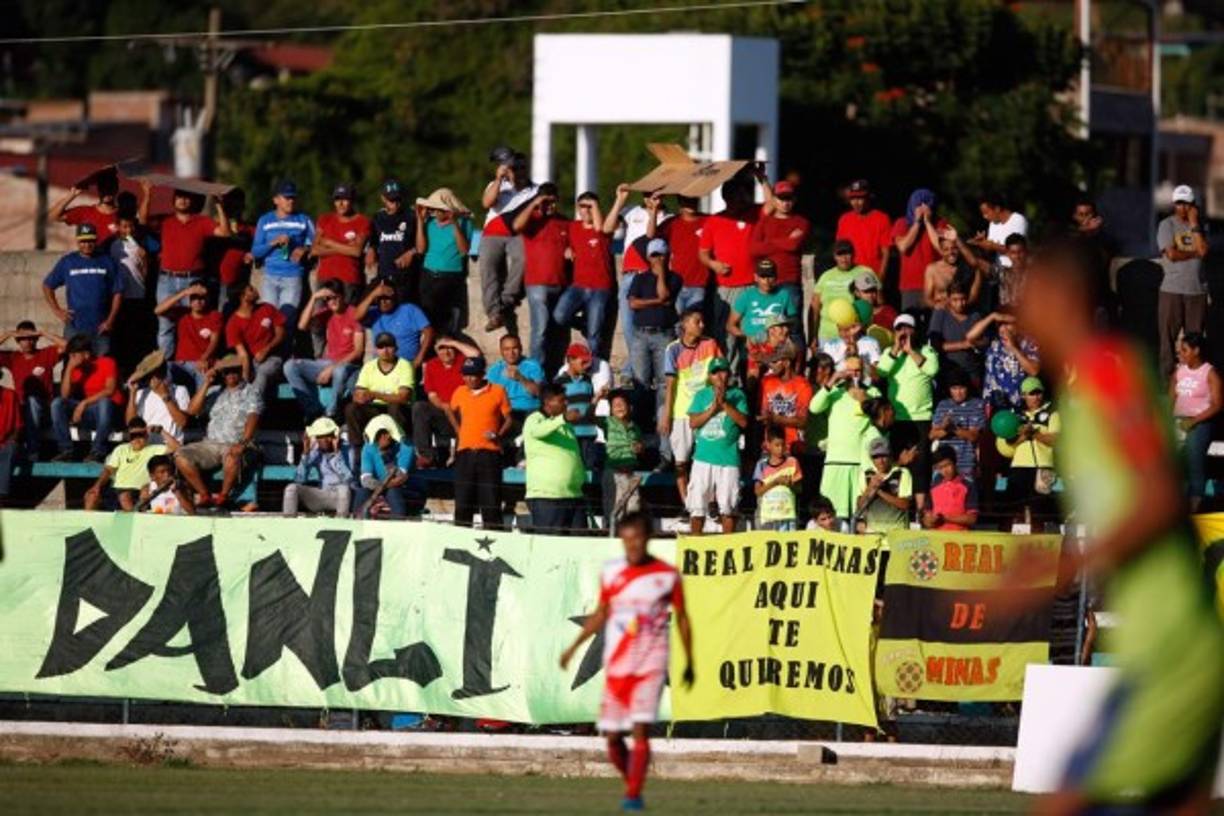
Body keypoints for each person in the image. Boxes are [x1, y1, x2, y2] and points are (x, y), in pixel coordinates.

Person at [1010, 237, 1223, 814]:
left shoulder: (1107, 373)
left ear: (1063, 298)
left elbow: (1158, 496)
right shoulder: (1084, 394)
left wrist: (1061, 569)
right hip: (1164, 650)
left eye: (1029, 295)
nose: (1022, 312)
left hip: (1170, 652)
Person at [559, 511, 694, 815]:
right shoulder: (612, 572)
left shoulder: (666, 575)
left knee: (640, 729)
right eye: (626, 540)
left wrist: (689, 660)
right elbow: (601, 613)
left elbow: (683, 619)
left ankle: (633, 796)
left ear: (648, 539)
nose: (631, 546)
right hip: (618, 662)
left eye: (636, 540)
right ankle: (631, 779)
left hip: (651, 662)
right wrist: (573, 647)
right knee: (611, 736)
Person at [174, 354, 262, 509]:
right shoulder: (214, 392)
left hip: (240, 443)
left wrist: (243, 442)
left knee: (232, 455)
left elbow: (253, 417)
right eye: (227, 371)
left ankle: (223, 496)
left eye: (234, 370)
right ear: (222, 374)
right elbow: (192, 410)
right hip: (212, 443)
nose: (231, 374)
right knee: (180, 455)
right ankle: (204, 495)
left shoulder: (251, 391)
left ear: (241, 371)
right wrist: (206, 384)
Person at [155, 188, 232, 356]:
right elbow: (143, 220)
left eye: (187, 197)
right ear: (173, 200)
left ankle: (194, 364)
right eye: (179, 197)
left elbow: (225, 233)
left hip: (193, 279)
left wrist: (219, 205)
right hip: (166, 279)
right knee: (165, 326)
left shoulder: (202, 221)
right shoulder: (165, 221)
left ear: (193, 200)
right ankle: (165, 370)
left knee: (195, 323)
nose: (183, 200)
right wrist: (147, 194)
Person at [876, 314, 938, 508]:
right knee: (898, 463)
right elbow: (881, 371)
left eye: (908, 328)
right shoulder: (890, 352)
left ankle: (919, 511)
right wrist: (896, 348)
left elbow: (932, 369)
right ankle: (898, 507)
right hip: (896, 419)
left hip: (921, 418)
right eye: (899, 329)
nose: (904, 332)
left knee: (920, 465)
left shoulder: (926, 350)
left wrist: (911, 351)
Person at [662, 307, 721, 503]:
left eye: (702, 321)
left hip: (706, 411)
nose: (702, 325)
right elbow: (670, 386)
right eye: (697, 322)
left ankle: (710, 502)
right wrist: (666, 415)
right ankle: (688, 503)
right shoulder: (673, 349)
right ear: (685, 325)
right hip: (681, 413)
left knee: (708, 459)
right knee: (681, 462)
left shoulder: (710, 344)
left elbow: (720, 373)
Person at [629, 239, 682, 455]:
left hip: (663, 334)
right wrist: (657, 302)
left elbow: (665, 294)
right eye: (654, 255)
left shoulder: (675, 278)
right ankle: (639, 443)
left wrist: (661, 275)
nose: (658, 259)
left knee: (663, 387)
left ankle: (664, 450)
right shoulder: (639, 279)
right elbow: (633, 303)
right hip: (641, 334)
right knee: (640, 385)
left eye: (662, 255)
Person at [809, 356, 878, 520]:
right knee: (830, 515)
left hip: (859, 464)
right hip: (835, 463)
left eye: (858, 370)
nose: (854, 374)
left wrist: (866, 401)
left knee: (859, 516)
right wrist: (833, 379)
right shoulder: (835, 391)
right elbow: (814, 407)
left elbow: (883, 419)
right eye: (850, 370)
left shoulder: (872, 392)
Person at [447, 356, 512, 529]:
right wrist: (458, 430)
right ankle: (460, 544)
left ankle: (495, 544)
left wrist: (498, 435)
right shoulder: (459, 392)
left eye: (473, 375)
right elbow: (449, 410)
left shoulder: (497, 390)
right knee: (462, 503)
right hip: (465, 452)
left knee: (490, 502)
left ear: (482, 374)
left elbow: (509, 419)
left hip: (489, 452)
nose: (469, 379)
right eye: (466, 375)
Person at [285, 281, 365, 421]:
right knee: (290, 366)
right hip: (327, 362)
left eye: (334, 297)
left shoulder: (353, 313)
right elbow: (302, 325)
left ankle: (330, 413)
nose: (331, 302)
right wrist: (314, 298)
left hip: (349, 365)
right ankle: (313, 410)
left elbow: (358, 351)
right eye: (327, 299)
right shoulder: (327, 313)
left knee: (339, 371)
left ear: (342, 296)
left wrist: (332, 368)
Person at [700, 174, 764, 346]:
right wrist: (714, 264)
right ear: (726, 197)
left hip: (752, 284)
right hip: (726, 287)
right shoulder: (714, 221)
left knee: (752, 330)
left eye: (743, 194)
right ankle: (729, 371)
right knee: (724, 334)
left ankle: (750, 370)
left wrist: (762, 178)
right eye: (737, 195)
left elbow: (773, 204)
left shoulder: (754, 214)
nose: (742, 198)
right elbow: (703, 253)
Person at [513, 182, 570, 372]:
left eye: (553, 202)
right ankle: (536, 371)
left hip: (562, 284)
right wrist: (535, 204)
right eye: (547, 202)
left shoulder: (565, 222)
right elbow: (516, 225)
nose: (550, 206)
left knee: (560, 331)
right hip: (538, 284)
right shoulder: (533, 221)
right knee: (541, 330)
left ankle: (555, 370)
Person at [687, 357, 748, 534]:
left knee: (729, 507)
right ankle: (695, 545)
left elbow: (743, 422)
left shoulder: (738, 394)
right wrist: (713, 409)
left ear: (729, 374)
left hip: (728, 458)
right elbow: (693, 422)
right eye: (715, 372)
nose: (720, 376)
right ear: (709, 376)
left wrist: (725, 405)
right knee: (697, 505)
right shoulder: (701, 395)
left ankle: (726, 547)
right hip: (703, 458)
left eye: (723, 371)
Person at [42, 223, 124, 355]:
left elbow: (118, 292)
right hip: (75, 327)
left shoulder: (107, 261)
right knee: (73, 363)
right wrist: (57, 310)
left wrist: (110, 320)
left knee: (101, 364)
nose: (87, 245)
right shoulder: (68, 262)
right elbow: (47, 286)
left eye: (90, 240)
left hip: (101, 327)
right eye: (83, 241)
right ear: (77, 241)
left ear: (96, 240)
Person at [478, 150, 536, 331]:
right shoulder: (497, 186)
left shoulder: (535, 190)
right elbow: (486, 203)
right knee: (488, 269)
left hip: (518, 232)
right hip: (493, 233)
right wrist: (498, 180)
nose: (518, 172)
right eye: (514, 168)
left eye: (521, 168)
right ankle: (494, 313)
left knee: (524, 259)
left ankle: (507, 299)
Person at [554, 189, 618, 353]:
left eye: (591, 206)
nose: (587, 210)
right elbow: (563, 242)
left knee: (594, 335)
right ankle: (583, 324)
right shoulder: (573, 227)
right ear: (578, 208)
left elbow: (599, 229)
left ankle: (593, 369)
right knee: (559, 315)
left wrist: (595, 205)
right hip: (579, 285)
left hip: (600, 287)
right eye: (583, 206)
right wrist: (567, 249)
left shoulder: (605, 227)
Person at [1156, 184, 1210, 378]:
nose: (1183, 207)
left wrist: (1195, 223)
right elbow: (1171, 254)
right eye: (1179, 203)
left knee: (1194, 342)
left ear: (1193, 205)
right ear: (1173, 204)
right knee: (1167, 341)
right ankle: (1166, 385)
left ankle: (1192, 381)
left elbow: (1203, 250)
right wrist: (1194, 253)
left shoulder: (1199, 226)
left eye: (1186, 203)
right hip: (1171, 290)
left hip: (1197, 291)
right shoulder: (1166, 225)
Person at [995, 376, 1060, 527]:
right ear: (1023, 395)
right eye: (1031, 393)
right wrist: (1023, 436)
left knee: (1043, 508)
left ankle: (1044, 542)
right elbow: (1007, 445)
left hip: (1045, 467)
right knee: (1018, 506)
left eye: (1038, 393)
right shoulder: (1014, 415)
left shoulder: (1052, 413)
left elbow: (1054, 439)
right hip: (1020, 466)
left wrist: (1035, 434)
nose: (1036, 397)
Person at [251, 180, 315, 331]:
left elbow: (317, 243)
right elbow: (255, 251)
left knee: (287, 320)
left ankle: (285, 353)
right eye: (287, 198)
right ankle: (271, 353)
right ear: (276, 200)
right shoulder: (265, 220)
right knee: (268, 320)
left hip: (293, 276)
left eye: (293, 197)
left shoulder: (304, 220)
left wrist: (304, 249)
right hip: (270, 277)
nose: (291, 201)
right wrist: (272, 243)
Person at [524, 384, 588, 533]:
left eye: (566, 400)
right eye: (561, 400)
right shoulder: (534, 419)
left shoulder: (565, 425)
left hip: (573, 494)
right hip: (547, 497)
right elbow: (537, 432)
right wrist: (563, 418)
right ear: (547, 402)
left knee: (580, 545)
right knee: (551, 548)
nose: (566, 403)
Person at [345, 332, 414, 468]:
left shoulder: (404, 365)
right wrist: (362, 397)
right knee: (351, 408)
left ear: (395, 348)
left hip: (400, 409)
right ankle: (359, 452)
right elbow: (358, 394)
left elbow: (403, 396)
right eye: (381, 347)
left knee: (395, 406)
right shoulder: (369, 366)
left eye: (389, 346)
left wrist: (375, 394)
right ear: (377, 349)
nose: (385, 350)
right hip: (375, 408)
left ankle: (395, 450)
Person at [50, 335, 122, 463]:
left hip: (109, 413)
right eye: (70, 355)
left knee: (104, 403)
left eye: (74, 355)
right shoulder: (75, 369)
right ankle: (66, 450)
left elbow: (110, 390)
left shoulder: (107, 362)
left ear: (86, 354)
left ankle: (97, 451)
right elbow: (64, 396)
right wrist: (69, 368)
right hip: (89, 414)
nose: (71, 358)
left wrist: (84, 403)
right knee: (57, 403)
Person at [1170, 332, 1221, 512]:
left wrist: (1193, 421)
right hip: (1179, 420)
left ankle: (1194, 508)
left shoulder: (1209, 373)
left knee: (1194, 457)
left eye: (1184, 350)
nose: (1180, 354)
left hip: (1200, 421)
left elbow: (1217, 405)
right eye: (1179, 351)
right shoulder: (1179, 372)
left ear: (1196, 351)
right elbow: (1172, 398)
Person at [0, 323, 66, 461]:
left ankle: (33, 452)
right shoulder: (13, 357)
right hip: (20, 411)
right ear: (18, 340)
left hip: (43, 410)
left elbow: (67, 346)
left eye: (31, 337)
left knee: (32, 401)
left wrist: (42, 333)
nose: (28, 341)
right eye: (23, 338)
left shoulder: (45, 354)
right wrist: (8, 334)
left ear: (36, 339)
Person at [414, 187, 474, 338]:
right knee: (428, 318)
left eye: (438, 209)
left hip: (450, 277)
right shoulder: (429, 223)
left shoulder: (464, 223)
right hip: (428, 275)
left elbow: (464, 250)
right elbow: (421, 249)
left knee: (447, 322)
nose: (435, 212)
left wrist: (455, 224)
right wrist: (420, 222)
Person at [413, 336, 478, 468]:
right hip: (442, 412)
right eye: (441, 348)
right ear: (436, 350)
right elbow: (432, 395)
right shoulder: (431, 365)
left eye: (449, 348)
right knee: (419, 407)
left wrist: (453, 342)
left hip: (462, 412)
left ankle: (462, 457)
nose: (446, 352)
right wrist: (443, 406)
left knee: (467, 411)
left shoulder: (463, 362)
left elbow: (476, 355)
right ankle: (426, 456)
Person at [727, 258, 799, 377]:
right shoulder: (746, 295)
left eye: (770, 276)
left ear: (776, 277)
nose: (766, 281)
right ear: (755, 277)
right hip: (752, 350)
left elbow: (794, 320)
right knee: (752, 386)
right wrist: (747, 336)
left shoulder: (784, 294)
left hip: (777, 351)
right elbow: (730, 325)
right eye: (763, 276)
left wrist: (782, 330)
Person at [108, 208, 159, 372]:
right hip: (119, 297)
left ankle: (137, 369)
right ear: (118, 228)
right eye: (124, 227)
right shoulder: (113, 246)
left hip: (138, 296)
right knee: (121, 336)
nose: (128, 230)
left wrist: (144, 260)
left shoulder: (140, 246)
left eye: (130, 227)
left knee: (137, 335)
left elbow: (144, 275)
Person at [83, 417, 171, 511]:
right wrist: (97, 486)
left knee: (125, 497)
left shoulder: (154, 449)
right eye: (133, 435)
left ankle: (132, 524)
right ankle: (89, 524)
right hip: (116, 490)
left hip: (137, 491)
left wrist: (161, 431)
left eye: (140, 435)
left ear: (146, 435)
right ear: (129, 436)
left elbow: (176, 447)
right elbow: (108, 470)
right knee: (91, 495)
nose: (137, 439)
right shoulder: (121, 449)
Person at [749, 179, 810, 305]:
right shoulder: (764, 222)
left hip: (789, 280)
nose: (785, 203)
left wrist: (767, 243)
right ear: (774, 200)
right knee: (765, 321)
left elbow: (793, 245)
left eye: (789, 198)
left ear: (794, 200)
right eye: (781, 198)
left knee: (791, 321)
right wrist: (785, 241)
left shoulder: (801, 222)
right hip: (765, 280)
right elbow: (753, 249)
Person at [155, 280, 222, 393]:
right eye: (194, 298)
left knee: (203, 393)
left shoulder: (214, 315)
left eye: (202, 298)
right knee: (166, 370)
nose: (198, 302)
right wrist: (184, 293)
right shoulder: (183, 314)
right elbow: (158, 310)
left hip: (202, 364)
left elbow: (214, 340)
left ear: (208, 298)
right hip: (182, 364)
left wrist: (204, 358)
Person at [353, 279, 434, 372]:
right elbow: (356, 316)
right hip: (381, 366)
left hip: (406, 365)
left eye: (387, 298)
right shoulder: (374, 312)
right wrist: (373, 294)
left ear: (395, 297)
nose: (383, 301)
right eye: (380, 298)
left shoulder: (409, 310)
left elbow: (429, 332)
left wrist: (418, 359)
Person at [283, 416, 355, 517]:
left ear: (334, 436)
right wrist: (306, 453)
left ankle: (341, 523)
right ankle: (288, 524)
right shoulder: (316, 450)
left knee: (344, 489)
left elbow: (348, 480)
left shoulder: (348, 449)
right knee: (291, 488)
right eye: (319, 437)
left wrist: (335, 454)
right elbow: (300, 479)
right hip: (321, 494)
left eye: (327, 436)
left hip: (339, 496)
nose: (323, 440)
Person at [224, 283, 286, 399]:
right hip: (252, 362)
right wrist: (245, 378)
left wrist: (266, 349)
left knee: (262, 372)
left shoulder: (267, 308)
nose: (256, 290)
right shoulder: (233, 323)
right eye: (251, 289)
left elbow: (281, 334)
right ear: (243, 297)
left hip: (273, 357)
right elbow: (243, 355)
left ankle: (252, 406)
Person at [969, 311, 1040, 410]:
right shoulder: (992, 340)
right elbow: (970, 337)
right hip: (992, 403)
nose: (1003, 329)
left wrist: (1013, 348)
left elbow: (1033, 371)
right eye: (1000, 324)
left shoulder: (1028, 343)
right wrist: (991, 317)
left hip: (1017, 404)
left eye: (1007, 324)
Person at [649, 194, 706, 317]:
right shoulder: (671, 223)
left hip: (700, 284)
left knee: (694, 323)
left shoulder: (708, 220)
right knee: (676, 324)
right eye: (687, 199)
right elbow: (651, 235)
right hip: (676, 284)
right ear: (680, 201)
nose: (691, 202)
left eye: (693, 198)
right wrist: (654, 208)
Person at [554, 342, 611, 465]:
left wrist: (598, 397)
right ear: (570, 360)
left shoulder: (587, 380)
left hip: (588, 433)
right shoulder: (559, 383)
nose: (586, 366)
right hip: (570, 435)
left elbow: (590, 406)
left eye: (588, 362)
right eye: (583, 362)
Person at [313, 183, 371, 302]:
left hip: (349, 279)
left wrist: (329, 243)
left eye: (345, 199)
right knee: (321, 317)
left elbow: (356, 252)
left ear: (352, 200)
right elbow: (314, 250)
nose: (340, 203)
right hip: (325, 278)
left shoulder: (363, 221)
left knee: (349, 317)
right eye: (337, 199)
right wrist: (346, 248)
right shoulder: (324, 220)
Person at [890, 188, 946, 311]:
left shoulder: (940, 223)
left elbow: (942, 248)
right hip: (910, 286)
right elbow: (903, 246)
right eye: (918, 205)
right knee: (910, 326)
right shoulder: (901, 223)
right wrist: (917, 223)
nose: (922, 209)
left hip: (935, 285)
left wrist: (928, 223)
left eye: (926, 206)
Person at [929, 368, 987, 484]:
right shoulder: (943, 405)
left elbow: (973, 436)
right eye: (954, 388)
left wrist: (953, 428)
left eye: (961, 388)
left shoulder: (976, 405)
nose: (958, 392)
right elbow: (932, 435)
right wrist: (944, 428)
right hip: (942, 466)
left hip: (965, 465)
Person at [354, 414, 415, 519]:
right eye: (378, 436)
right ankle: (356, 526)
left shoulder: (406, 446)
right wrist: (382, 486)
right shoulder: (368, 447)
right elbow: (366, 479)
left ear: (388, 434)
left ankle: (396, 527)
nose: (381, 438)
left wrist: (386, 457)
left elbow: (400, 478)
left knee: (395, 495)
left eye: (383, 434)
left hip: (399, 487)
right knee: (362, 493)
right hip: (377, 485)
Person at [366, 179, 418, 301]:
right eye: (391, 200)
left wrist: (411, 252)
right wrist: (371, 249)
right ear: (383, 199)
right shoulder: (378, 218)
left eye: (397, 199)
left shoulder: (411, 216)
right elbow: (374, 240)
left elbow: (422, 244)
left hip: (406, 275)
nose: (395, 204)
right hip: (384, 274)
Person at [758, 341, 813, 453]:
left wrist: (775, 418)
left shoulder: (802, 385)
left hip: (793, 447)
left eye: (774, 362)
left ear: (787, 363)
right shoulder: (766, 382)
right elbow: (764, 412)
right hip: (770, 447)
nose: (771, 365)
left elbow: (803, 421)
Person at [811, 240, 870, 344]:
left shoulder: (864, 272)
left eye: (847, 253)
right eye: (840, 254)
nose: (844, 258)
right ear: (834, 256)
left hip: (852, 335)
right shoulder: (825, 276)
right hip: (826, 335)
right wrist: (813, 336)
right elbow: (815, 308)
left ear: (853, 254)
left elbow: (876, 302)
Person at [124, 353, 191, 443]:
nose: (154, 378)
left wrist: (165, 396)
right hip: (146, 445)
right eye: (151, 374)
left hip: (170, 445)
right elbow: (130, 423)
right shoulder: (140, 393)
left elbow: (182, 422)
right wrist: (132, 393)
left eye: (159, 373)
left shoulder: (180, 390)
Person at [927, 281, 984, 385]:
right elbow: (934, 344)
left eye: (963, 299)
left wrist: (977, 343)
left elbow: (985, 341)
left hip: (971, 374)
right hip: (947, 374)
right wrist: (964, 344)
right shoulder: (941, 313)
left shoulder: (975, 315)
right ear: (948, 299)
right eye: (955, 300)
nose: (960, 304)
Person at [602, 391, 644, 529]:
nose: (619, 407)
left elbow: (640, 447)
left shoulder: (635, 427)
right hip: (614, 473)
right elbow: (590, 416)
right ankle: (612, 535)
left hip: (631, 474)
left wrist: (639, 447)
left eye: (622, 404)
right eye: (615, 405)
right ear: (610, 410)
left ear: (630, 407)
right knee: (614, 511)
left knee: (633, 509)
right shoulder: (607, 423)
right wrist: (596, 398)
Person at [47, 169, 122, 245]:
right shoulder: (85, 212)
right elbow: (52, 216)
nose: (107, 191)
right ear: (98, 189)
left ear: (116, 189)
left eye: (110, 187)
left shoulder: (123, 215)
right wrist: (72, 194)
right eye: (103, 187)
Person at [855, 436, 913, 534]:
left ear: (890, 455)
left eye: (884, 456)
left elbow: (905, 504)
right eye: (876, 457)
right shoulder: (865, 475)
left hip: (897, 535)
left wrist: (879, 491)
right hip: (872, 534)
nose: (880, 461)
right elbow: (860, 507)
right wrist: (870, 488)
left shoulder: (902, 473)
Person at [210, 188, 254, 314]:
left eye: (238, 204)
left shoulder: (249, 229)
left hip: (241, 282)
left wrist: (252, 254)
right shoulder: (214, 228)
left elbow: (259, 247)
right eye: (230, 204)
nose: (234, 208)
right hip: (217, 280)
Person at [835, 179, 892, 278]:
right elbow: (840, 251)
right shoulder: (844, 219)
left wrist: (880, 278)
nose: (856, 202)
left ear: (868, 197)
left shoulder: (882, 218)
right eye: (852, 199)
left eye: (860, 198)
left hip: (872, 275)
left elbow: (886, 253)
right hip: (849, 275)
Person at [754, 426, 803, 531]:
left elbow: (799, 489)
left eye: (783, 445)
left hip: (788, 516)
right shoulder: (762, 465)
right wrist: (775, 482)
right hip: (768, 517)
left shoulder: (792, 462)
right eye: (777, 445)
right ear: (768, 445)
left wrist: (790, 484)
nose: (780, 449)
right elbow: (758, 491)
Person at [922, 228, 985, 309]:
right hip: (942, 312)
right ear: (941, 251)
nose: (950, 252)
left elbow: (973, 296)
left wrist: (958, 307)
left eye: (954, 248)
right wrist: (936, 306)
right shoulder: (932, 269)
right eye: (946, 249)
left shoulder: (967, 267)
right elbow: (927, 298)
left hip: (965, 311)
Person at [921, 446, 978, 531]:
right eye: (940, 468)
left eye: (947, 465)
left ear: (955, 462)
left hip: (959, 539)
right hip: (937, 538)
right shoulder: (933, 486)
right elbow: (926, 517)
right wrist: (929, 521)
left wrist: (946, 519)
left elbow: (972, 518)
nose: (945, 471)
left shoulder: (967, 485)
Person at [969, 193, 1028, 265]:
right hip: (999, 269)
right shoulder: (993, 224)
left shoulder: (1018, 220)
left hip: (1016, 269)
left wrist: (992, 245)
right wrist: (982, 243)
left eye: (986, 213)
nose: (984, 217)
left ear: (997, 209)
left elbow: (1016, 251)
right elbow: (990, 251)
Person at [851, 269, 897, 334]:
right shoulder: (852, 312)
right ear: (857, 293)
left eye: (873, 290)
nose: (870, 295)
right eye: (866, 291)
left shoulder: (888, 312)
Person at [0, 374, 20, 506]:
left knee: (10, 448)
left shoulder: (10, 395)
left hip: (6, 442)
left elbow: (18, 426)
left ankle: (1, 496)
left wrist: (11, 440)